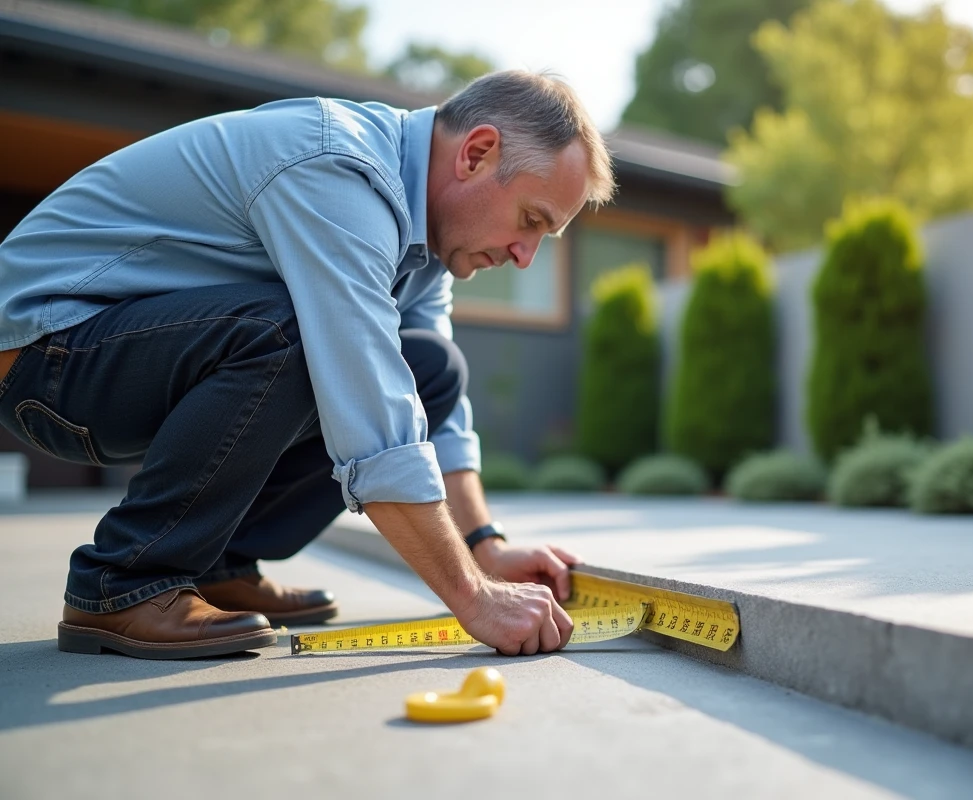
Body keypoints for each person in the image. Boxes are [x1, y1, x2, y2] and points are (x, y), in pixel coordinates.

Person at [0, 69, 615, 660]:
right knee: (302, 331)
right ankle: (124, 580)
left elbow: (420, 404)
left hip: (120, 354)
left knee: (432, 367)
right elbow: (368, 396)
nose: (526, 256)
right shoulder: (337, 168)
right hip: (46, 353)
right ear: (476, 153)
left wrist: (486, 547)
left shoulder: (426, 241)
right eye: (531, 221)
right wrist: (472, 598)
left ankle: (214, 565)